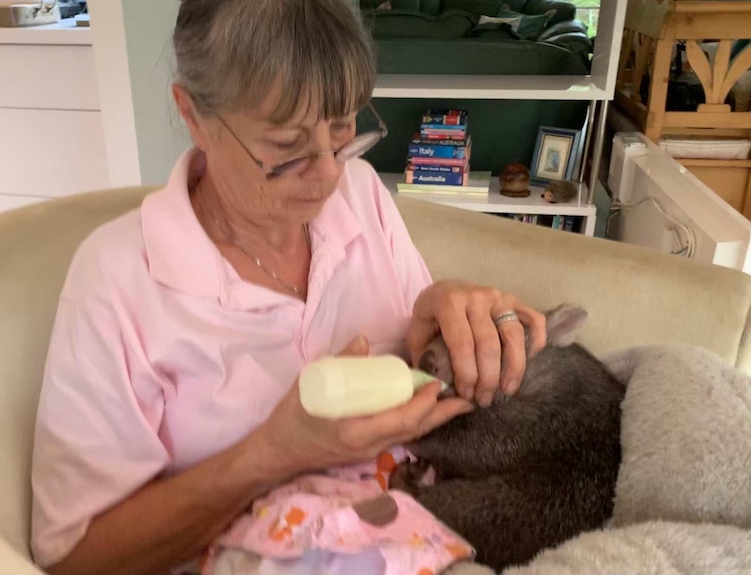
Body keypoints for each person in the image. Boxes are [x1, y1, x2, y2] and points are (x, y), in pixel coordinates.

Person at [29, 1, 547, 574]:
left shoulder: (361, 194)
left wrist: (446, 311)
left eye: (345, 126)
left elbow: (418, 372)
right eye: (286, 146)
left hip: (431, 530)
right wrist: (274, 453)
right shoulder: (119, 278)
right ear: (193, 115)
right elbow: (73, 558)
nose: (328, 172)